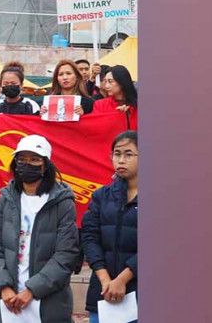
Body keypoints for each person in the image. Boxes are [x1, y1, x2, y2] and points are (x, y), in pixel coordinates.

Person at [0, 135, 79, 322]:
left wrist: (32, 290)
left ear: (46, 165)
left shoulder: (62, 202)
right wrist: (3, 286)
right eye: (22, 160)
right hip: (7, 300)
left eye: (35, 159)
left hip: (48, 301)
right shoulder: (5, 198)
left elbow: (66, 253)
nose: (27, 165)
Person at [81, 131, 138, 323]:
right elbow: (90, 237)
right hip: (103, 291)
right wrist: (105, 279)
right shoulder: (101, 196)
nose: (121, 160)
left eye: (128, 154)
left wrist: (122, 279)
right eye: (117, 154)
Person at [92, 65, 138, 130]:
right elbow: (97, 128)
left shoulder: (137, 104)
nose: (106, 86)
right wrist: (117, 115)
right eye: (105, 81)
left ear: (122, 82)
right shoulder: (100, 105)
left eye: (110, 81)